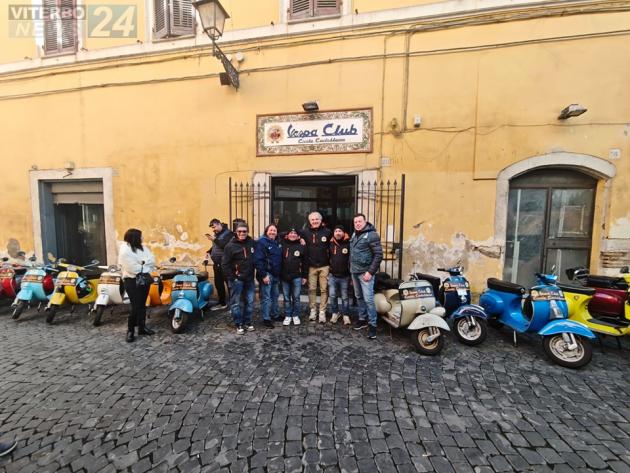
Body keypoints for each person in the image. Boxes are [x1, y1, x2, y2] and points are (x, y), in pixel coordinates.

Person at [118, 228, 156, 343]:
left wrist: (143, 264)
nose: (142, 238)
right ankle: (130, 330)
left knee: (143, 304)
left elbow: (152, 260)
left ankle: (142, 327)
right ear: (134, 238)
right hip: (132, 281)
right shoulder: (125, 251)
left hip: (144, 279)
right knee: (135, 306)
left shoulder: (143, 248)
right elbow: (132, 268)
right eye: (140, 236)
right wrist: (145, 264)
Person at [350, 214, 383, 339]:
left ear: (365, 222)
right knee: (359, 296)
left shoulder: (372, 235)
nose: (357, 224)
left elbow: (378, 255)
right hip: (354, 272)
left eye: (360, 221)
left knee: (369, 299)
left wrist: (370, 272)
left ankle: (373, 325)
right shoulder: (354, 234)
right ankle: (362, 319)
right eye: (355, 222)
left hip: (365, 273)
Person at [222, 222, 256, 335]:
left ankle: (247, 322)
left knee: (249, 302)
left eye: (244, 231)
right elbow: (225, 264)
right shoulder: (230, 246)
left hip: (249, 279)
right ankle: (238, 323)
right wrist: (233, 278)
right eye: (239, 231)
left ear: (247, 232)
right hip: (237, 280)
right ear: (236, 232)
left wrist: (300, 239)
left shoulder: (252, 242)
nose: (242, 233)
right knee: (236, 303)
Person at [300, 211, 332, 323]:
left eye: (317, 219)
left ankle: (322, 311)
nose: (315, 221)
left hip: (324, 265)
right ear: (309, 221)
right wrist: (300, 238)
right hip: (311, 266)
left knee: (324, 290)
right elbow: (289, 234)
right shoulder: (305, 232)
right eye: (312, 220)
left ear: (320, 220)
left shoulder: (328, 232)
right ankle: (313, 310)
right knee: (311, 289)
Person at [254, 223, 282, 328]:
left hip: (276, 274)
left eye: (274, 230)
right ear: (266, 231)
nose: (272, 232)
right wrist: (263, 275)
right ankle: (266, 318)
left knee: (275, 295)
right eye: (270, 230)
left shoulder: (277, 242)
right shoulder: (261, 242)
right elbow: (258, 260)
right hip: (267, 274)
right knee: (266, 297)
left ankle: (275, 314)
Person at [280, 228, 308, 326]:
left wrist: (304, 276)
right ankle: (288, 315)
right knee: (286, 298)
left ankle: (295, 315)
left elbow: (305, 263)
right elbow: (278, 234)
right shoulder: (282, 244)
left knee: (296, 297)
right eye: (290, 233)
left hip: (297, 276)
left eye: (295, 233)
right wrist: (286, 234)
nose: (292, 235)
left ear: (298, 236)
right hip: (284, 276)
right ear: (287, 235)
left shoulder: (302, 246)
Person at [205, 218, 233, 310]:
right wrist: (209, 251)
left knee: (229, 284)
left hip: (225, 264)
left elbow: (226, 246)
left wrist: (214, 239)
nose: (213, 229)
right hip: (217, 263)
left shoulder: (229, 234)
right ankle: (222, 303)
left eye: (214, 227)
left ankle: (233, 305)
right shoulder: (217, 234)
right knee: (218, 284)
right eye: (212, 228)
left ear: (219, 224)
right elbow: (216, 246)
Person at [328, 224, 351, 325]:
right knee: (332, 296)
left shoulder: (349, 243)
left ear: (343, 233)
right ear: (334, 233)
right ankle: (335, 313)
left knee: (345, 297)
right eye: (336, 231)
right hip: (332, 275)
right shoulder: (330, 243)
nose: (338, 233)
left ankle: (346, 315)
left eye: (340, 231)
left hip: (345, 276)